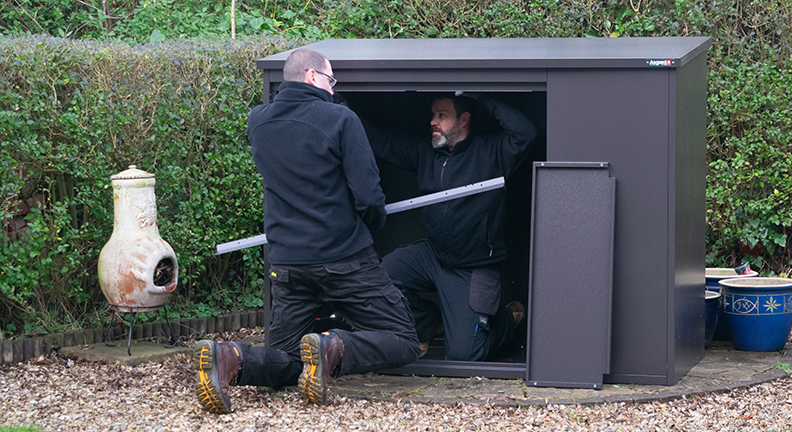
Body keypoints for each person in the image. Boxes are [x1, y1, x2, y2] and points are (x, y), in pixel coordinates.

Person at [192, 48, 420, 413]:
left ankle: (230, 358)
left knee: (287, 358)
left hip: (287, 264)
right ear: (314, 76)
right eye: (331, 81)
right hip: (344, 258)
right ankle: (333, 347)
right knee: (405, 340)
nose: (333, 89)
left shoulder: (258, 122)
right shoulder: (341, 119)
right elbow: (369, 196)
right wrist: (370, 230)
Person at [358, 92, 537, 362]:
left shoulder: (492, 151)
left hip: (473, 266)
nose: (433, 121)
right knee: (376, 277)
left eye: (442, 115)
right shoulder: (426, 152)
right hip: (434, 256)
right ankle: (429, 324)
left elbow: (526, 133)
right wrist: (343, 108)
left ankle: (506, 319)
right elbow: (381, 142)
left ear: (464, 119)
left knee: (465, 354)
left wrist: (480, 96)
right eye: (433, 115)